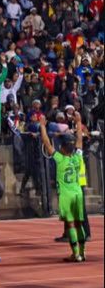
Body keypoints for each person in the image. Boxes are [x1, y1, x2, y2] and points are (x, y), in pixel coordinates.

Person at [39, 112, 87, 262]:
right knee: (80, 224)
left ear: (63, 147)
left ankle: (76, 254)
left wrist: (42, 126)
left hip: (66, 195)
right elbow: (79, 139)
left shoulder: (60, 159)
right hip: (78, 192)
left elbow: (46, 143)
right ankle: (83, 253)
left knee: (71, 223)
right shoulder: (77, 156)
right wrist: (78, 122)